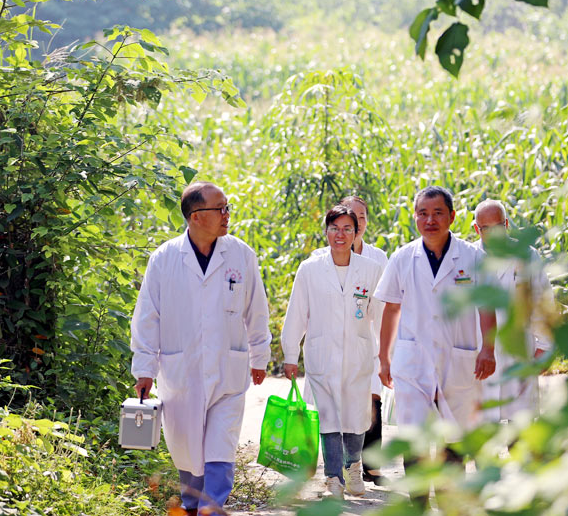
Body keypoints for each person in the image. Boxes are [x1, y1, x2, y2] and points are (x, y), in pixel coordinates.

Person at [130, 182, 271, 515]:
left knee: (221, 446)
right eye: (219, 209)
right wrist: (144, 370)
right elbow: (147, 318)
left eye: (227, 207)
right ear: (195, 216)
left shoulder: (240, 254)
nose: (226, 215)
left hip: (229, 369)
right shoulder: (164, 259)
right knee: (188, 449)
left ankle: (212, 508)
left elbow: (257, 309)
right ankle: (193, 506)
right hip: (182, 373)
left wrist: (260, 355)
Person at [375, 186, 496, 502]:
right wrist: (384, 359)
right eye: (423, 213)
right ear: (415, 217)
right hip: (412, 362)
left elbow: (486, 306)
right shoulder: (403, 257)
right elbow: (390, 308)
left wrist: (488, 349)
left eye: (437, 212)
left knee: (454, 437)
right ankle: (417, 505)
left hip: (458, 360)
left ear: (452, 217)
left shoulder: (472, 257)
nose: (430, 220)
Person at [281, 205, 384, 499]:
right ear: (326, 231)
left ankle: (354, 465)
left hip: (359, 355)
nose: (340, 235)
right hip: (321, 354)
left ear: (356, 232)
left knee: (355, 417)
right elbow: (297, 314)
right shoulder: (310, 269)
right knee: (327, 418)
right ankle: (333, 478)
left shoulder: (370, 270)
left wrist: (386, 357)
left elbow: (380, 316)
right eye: (334, 228)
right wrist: (290, 353)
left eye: (347, 229)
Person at [472, 199, 555, 423]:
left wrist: (545, 347)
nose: (492, 233)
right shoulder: (468, 258)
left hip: (520, 349)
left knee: (522, 425)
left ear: (507, 224)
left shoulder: (526, 256)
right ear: (476, 229)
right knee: (484, 426)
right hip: (481, 352)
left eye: (497, 226)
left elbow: (542, 300)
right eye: (485, 228)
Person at [339, 195, 388, 485]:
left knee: (372, 400)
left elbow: (384, 302)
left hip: (370, 337)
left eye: (363, 217)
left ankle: (373, 466)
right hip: (340, 339)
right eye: (351, 216)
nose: (357, 223)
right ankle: (346, 465)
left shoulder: (378, 257)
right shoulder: (327, 255)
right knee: (342, 403)